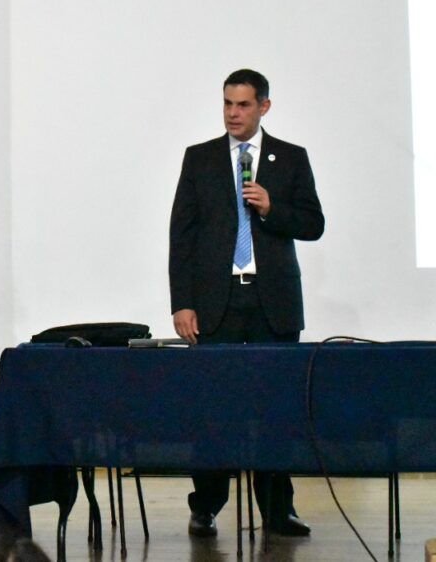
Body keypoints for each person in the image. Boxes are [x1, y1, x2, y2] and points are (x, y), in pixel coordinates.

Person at [168, 68, 324, 538]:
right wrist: (182, 303)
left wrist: (273, 208)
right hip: (216, 302)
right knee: (212, 410)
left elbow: (313, 223)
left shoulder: (291, 158)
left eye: (243, 105)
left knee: (276, 409)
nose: (233, 114)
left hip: (272, 303)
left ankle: (277, 510)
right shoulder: (200, 158)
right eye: (227, 104)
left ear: (264, 107)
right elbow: (182, 235)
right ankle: (206, 505)